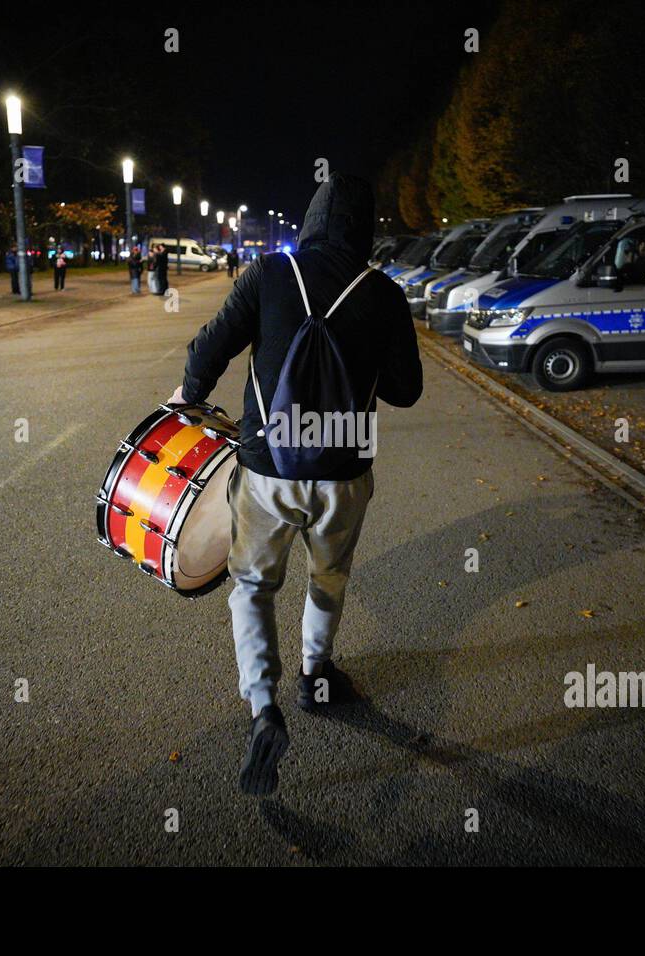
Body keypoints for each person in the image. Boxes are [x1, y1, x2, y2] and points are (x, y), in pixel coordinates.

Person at [168, 174, 422, 796]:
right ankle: (316, 674)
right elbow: (405, 390)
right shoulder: (383, 292)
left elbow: (212, 346)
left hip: (266, 471)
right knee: (329, 576)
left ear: (309, 221)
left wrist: (189, 396)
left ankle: (263, 708)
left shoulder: (268, 274)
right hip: (344, 474)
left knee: (253, 586)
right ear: (363, 228)